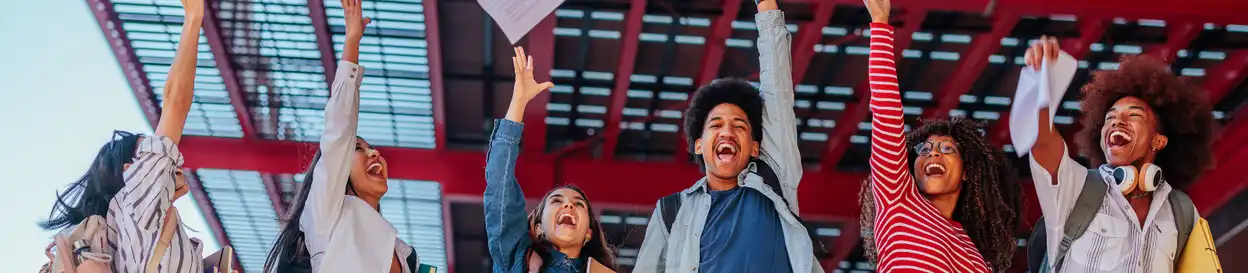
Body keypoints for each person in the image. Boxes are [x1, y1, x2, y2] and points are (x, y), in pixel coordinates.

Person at [632, 0, 823, 272]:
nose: (727, 132)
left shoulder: (775, 179)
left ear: (755, 148)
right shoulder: (671, 211)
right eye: (716, 125)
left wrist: (767, 7)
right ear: (699, 145)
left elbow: (777, 92)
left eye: (739, 126)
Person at [38, 0, 217, 272]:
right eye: (147, 152)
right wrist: (193, 17)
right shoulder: (137, 203)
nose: (169, 156)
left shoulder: (129, 223)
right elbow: (174, 103)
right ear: (129, 170)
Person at [1014, 35, 1217, 272]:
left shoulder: (1181, 212)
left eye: (1134, 115)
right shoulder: (1077, 189)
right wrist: (1039, 83)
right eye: (1109, 117)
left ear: (1159, 140)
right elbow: (1042, 141)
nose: (1116, 122)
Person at [855, 0, 1023, 271]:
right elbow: (886, 113)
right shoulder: (898, 199)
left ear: (967, 172)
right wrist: (880, 23)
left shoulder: (975, 257)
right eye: (924, 150)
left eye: (947, 150)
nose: (932, 153)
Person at [260, 1, 420, 273]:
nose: (375, 154)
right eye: (358, 149)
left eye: (372, 148)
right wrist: (352, 42)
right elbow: (339, 129)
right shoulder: (325, 216)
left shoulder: (405, 253)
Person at [483, 46, 618, 273]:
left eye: (578, 204)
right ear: (538, 230)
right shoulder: (517, 259)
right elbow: (499, 186)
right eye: (556, 201)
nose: (568, 205)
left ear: (588, 233)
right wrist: (519, 101)